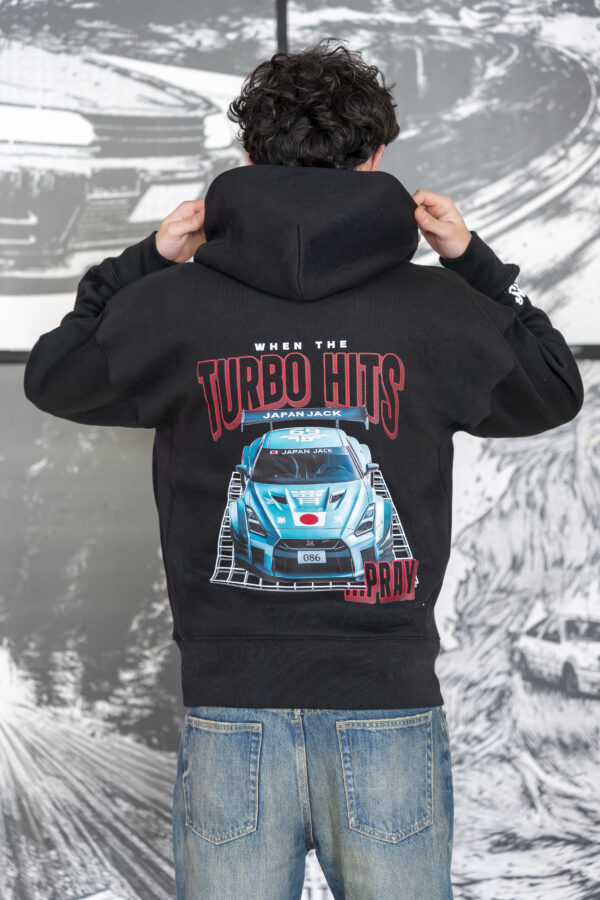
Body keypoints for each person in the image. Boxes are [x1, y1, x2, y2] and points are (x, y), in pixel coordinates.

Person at [23, 37, 584, 900]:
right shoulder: (438, 308)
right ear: (377, 156)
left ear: (250, 155)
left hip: (230, 711)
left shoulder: (171, 306)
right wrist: (471, 260)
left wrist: (144, 262)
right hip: (387, 706)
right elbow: (553, 388)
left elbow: (55, 374)